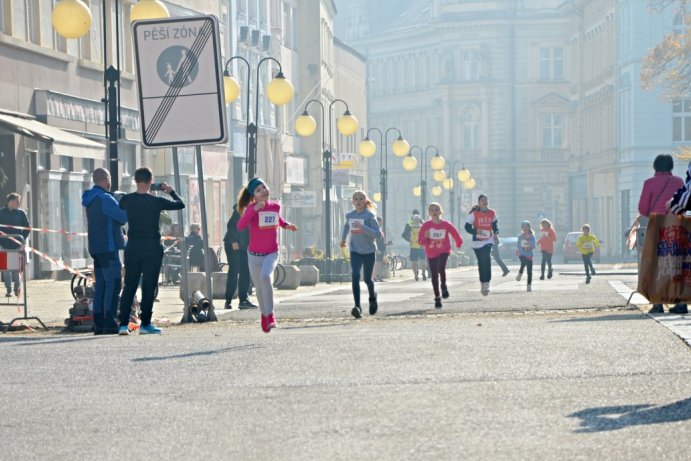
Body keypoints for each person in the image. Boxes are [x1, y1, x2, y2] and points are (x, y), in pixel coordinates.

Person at [117, 167, 185, 335]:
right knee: (149, 285)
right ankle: (145, 324)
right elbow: (180, 204)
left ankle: (123, 325)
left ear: (135, 180)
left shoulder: (127, 200)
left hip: (132, 247)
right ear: (150, 181)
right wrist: (171, 191)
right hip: (152, 248)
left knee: (130, 285)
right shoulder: (156, 202)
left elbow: (120, 204)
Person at [237, 178, 297, 333]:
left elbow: (279, 220)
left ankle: (270, 315)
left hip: (271, 252)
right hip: (254, 255)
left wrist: (286, 225)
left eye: (264, 187)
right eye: (258, 190)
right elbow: (241, 225)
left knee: (265, 277)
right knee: (259, 288)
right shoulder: (252, 209)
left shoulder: (275, 206)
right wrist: (254, 209)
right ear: (254, 196)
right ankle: (264, 315)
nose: (263, 191)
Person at [81, 168, 127, 335]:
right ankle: (110, 322)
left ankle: (99, 323)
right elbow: (122, 217)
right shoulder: (105, 199)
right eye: (109, 179)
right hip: (109, 247)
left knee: (100, 285)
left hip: (96, 248)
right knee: (113, 285)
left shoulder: (89, 198)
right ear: (106, 179)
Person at [639, 155, 686, 314]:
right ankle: (680, 303)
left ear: (655, 167)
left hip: (657, 226)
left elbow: (643, 209)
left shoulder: (649, 183)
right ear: (671, 166)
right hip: (677, 226)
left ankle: (658, 304)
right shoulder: (679, 182)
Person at [340, 190, 381, 319]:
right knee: (355, 276)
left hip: (368, 251)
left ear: (365, 201)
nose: (358, 201)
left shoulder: (369, 215)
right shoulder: (349, 215)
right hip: (355, 250)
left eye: (361, 199)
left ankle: (372, 297)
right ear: (353, 201)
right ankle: (357, 307)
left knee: (367, 279)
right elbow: (347, 226)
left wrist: (363, 228)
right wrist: (343, 239)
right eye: (356, 199)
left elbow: (377, 234)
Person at [418, 202, 462, 308]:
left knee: (441, 267)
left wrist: (459, 242)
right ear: (429, 213)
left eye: (436, 210)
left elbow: (455, 233)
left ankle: (443, 285)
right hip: (431, 253)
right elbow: (420, 242)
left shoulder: (445, 224)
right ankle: (437, 298)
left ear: (441, 212)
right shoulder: (426, 225)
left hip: (444, 250)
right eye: (432, 210)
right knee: (433, 275)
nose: (434, 212)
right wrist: (426, 236)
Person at [223, 203, 256, 310]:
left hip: (245, 245)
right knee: (234, 270)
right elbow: (231, 225)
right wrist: (233, 241)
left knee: (245, 271)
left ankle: (243, 300)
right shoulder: (242, 208)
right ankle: (228, 300)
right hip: (233, 244)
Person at [465, 194, 498, 296]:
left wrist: (496, 233)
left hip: (488, 240)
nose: (484, 202)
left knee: (486, 260)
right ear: (479, 203)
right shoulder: (474, 214)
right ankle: (482, 283)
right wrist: (475, 231)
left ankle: (487, 284)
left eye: (486, 200)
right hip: (477, 242)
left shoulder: (492, 213)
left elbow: (494, 226)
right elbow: (467, 227)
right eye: (482, 200)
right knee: (481, 262)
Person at [0, 193, 30, 297]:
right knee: (5, 268)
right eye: (16, 201)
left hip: (17, 244)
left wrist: (22, 239)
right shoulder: (1, 212)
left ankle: (17, 288)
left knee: (16, 268)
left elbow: (27, 227)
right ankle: (8, 289)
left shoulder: (21, 213)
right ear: (10, 201)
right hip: (4, 244)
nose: (18, 203)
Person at [402, 210, 427, 281]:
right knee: (422, 260)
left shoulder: (410, 223)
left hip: (414, 246)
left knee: (415, 261)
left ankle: (417, 274)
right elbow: (427, 234)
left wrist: (409, 240)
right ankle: (422, 273)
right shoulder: (422, 222)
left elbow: (404, 234)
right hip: (420, 245)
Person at [515, 221, 537, 292]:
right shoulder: (520, 237)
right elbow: (518, 245)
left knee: (529, 272)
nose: (524, 228)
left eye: (526, 227)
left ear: (529, 228)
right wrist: (517, 250)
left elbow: (534, 246)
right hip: (522, 254)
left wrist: (528, 240)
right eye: (523, 227)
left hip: (529, 255)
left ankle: (529, 285)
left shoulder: (532, 236)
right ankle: (520, 273)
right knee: (523, 262)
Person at [373, 216, 386, 282]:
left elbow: (381, 239)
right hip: (377, 249)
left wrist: (386, 244)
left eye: (381, 222)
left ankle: (378, 276)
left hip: (381, 248)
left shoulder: (380, 229)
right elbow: (374, 240)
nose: (381, 223)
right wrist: (376, 249)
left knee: (379, 263)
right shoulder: (375, 229)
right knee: (377, 263)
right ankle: (374, 277)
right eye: (379, 222)